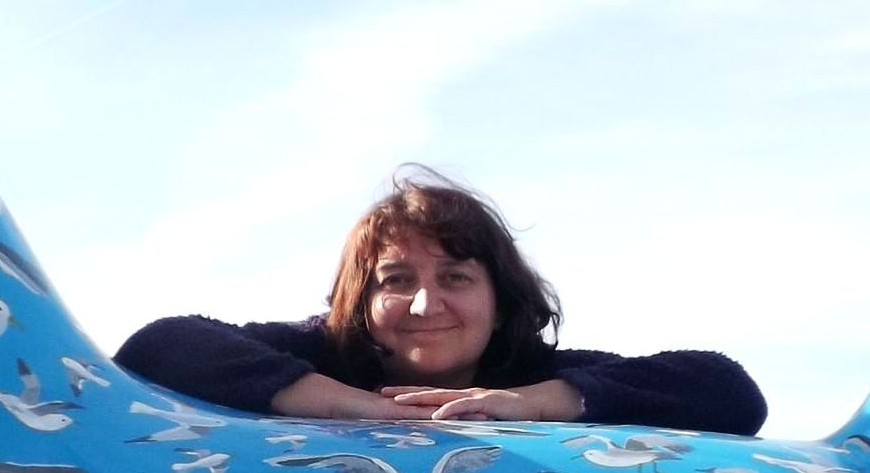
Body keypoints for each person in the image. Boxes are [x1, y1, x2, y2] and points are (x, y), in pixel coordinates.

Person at [115, 168, 767, 435]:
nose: (425, 305)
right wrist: (358, 408)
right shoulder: (318, 351)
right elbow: (161, 344)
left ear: (499, 296)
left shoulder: (530, 373)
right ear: (361, 299)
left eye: (455, 278)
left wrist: (527, 406)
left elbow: (729, 393)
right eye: (395, 280)